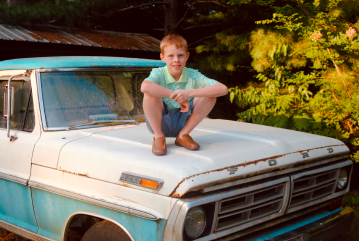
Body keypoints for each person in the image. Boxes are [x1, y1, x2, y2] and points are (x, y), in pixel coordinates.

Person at [141, 34, 228, 156]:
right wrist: (177, 97)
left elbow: (223, 89)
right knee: (150, 93)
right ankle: (159, 137)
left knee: (210, 95)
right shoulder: (158, 73)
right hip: (160, 123)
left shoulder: (193, 75)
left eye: (180, 55)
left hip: (184, 121)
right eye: (171, 56)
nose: (176, 60)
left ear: (187, 56)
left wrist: (188, 93)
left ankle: (183, 135)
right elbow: (145, 87)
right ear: (162, 57)